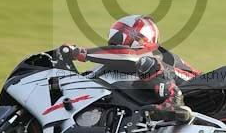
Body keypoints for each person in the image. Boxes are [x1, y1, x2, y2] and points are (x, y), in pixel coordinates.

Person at [64, 15, 199, 123]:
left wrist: (81, 53)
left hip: (195, 85)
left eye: (121, 38)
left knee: (147, 63)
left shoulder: (152, 54)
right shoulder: (114, 64)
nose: (114, 45)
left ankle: (174, 101)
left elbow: (128, 55)